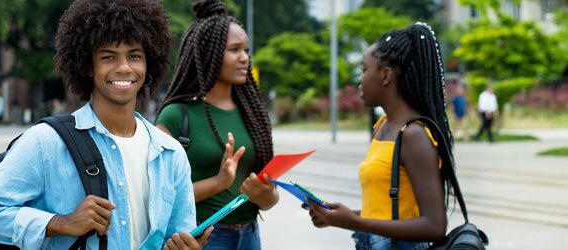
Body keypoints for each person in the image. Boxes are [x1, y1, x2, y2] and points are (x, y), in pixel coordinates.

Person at [0, 0, 211, 249]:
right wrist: (61, 223)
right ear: (87, 66)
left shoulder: (170, 153)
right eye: (108, 57)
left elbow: (178, 234)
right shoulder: (46, 142)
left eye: (134, 56)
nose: (124, 67)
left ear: (149, 63)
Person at [304, 22, 455, 249]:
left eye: (364, 69)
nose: (360, 79)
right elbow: (385, 211)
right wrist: (337, 217)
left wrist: (353, 221)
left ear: (385, 76)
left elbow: (434, 226)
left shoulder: (413, 135)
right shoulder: (383, 125)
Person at [155, 0, 278, 249]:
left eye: (247, 50)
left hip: (250, 235)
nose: (245, 58)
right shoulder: (176, 116)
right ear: (207, 53)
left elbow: (269, 198)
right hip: (204, 238)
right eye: (235, 50)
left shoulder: (253, 114)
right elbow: (158, 196)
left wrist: (264, 195)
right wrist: (219, 182)